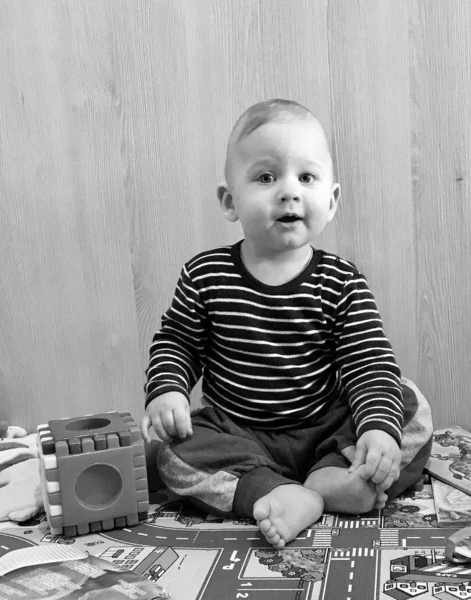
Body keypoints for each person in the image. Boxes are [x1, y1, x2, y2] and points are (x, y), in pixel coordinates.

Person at [141, 99, 433, 549]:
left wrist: (376, 429)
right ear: (229, 201)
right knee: (173, 453)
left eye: (307, 177)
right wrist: (168, 391)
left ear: (331, 200)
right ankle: (278, 492)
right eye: (265, 177)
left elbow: (369, 363)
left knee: (409, 408)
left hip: (324, 430)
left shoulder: (342, 281)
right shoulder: (204, 275)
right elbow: (177, 344)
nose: (288, 191)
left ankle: (331, 478)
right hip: (236, 432)